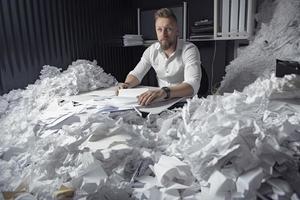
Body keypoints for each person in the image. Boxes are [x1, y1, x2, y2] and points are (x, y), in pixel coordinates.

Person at [118, 8, 202, 106]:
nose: (163, 34)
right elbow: (136, 74)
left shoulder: (189, 49)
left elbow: (193, 85)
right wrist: (126, 85)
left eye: (168, 29)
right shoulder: (151, 51)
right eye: (159, 29)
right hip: (161, 103)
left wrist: (164, 92)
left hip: (185, 104)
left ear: (177, 31)